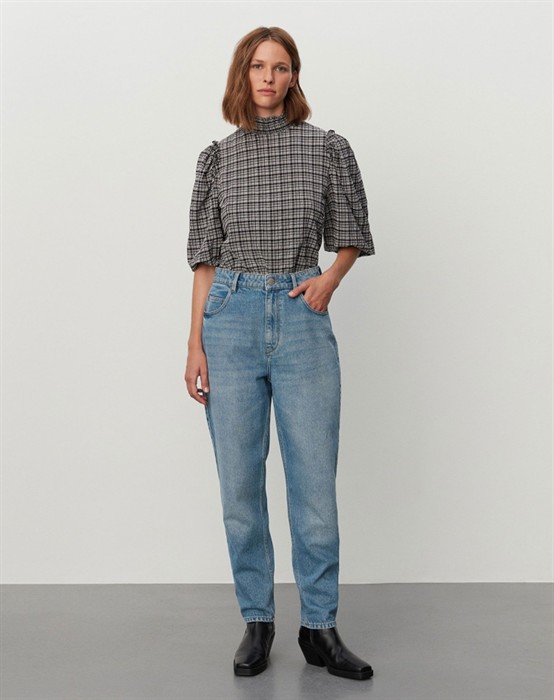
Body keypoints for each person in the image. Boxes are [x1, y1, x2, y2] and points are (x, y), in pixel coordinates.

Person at [184, 26, 375, 681]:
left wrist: (330, 279)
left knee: (314, 485)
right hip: (229, 319)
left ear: (294, 76)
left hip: (301, 317)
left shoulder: (326, 149)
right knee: (239, 487)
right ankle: (257, 621)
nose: (269, 77)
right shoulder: (217, 158)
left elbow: (350, 234)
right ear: (243, 74)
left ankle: (319, 628)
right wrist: (195, 344)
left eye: (282, 66)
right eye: (258, 66)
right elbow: (205, 263)